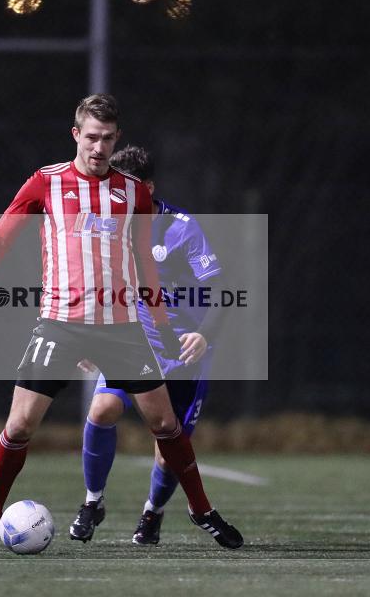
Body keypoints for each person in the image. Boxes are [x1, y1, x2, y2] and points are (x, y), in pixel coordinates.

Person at [0, 94, 242, 551]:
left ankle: (202, 511)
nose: (98, 147)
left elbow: (144, 263)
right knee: (20, 426)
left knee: (167, 426)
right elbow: (6, 228)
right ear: (75, 135)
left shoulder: (134, 192)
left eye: (107, 138)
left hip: (123, 329)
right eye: (91, 137)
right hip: (59, 324)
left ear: (116, 137)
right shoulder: (47, 181)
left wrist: (161, 329)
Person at [69, 146, 227, 546]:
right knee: (103, 409)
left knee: (167, 448)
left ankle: (151, 514)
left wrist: (205, 333)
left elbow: (221, 289)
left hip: (180, 355)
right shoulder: (105, 226)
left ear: (149, 188)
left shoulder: (181, 227)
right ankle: (92, 502)